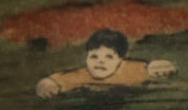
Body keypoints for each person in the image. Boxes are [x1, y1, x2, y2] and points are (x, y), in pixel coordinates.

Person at [35, 29, 177, 98]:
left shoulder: (132, 70)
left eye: (109, 57)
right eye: (94, 56)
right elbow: (54, 80)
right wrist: (45, 85)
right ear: (86, 58)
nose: (100, 61)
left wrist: (159, 67)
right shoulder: (81, 75)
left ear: (120, 60)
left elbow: (155, 68)